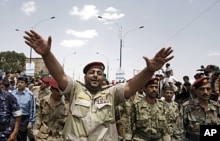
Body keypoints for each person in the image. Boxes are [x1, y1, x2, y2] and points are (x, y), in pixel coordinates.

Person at [23, 30, 173, 140]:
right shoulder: (75, 89)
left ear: (103, 78)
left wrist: (149, 70)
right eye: (91, 72)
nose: (95, 75)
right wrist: (46, 54)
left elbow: (131, 86)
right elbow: (60, 75)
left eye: (99, 73)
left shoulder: (112, 93)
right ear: (85, 76)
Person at [180, 76, 220, 141]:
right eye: (202, 89)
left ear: (211, 91)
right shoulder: (187, 107)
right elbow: (179, 131)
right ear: (195, 91)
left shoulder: (217, 107)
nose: (205, 92)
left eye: (208, 89)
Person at [12, 75, 36, 141]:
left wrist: (31, 122)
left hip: (24, 119)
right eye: (18, 82)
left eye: (22, 82)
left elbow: (32, 109)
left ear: (26, 84)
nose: (20, 84)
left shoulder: (30, 95)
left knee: (22, 138)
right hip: (13, 118)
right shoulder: (12, 94)